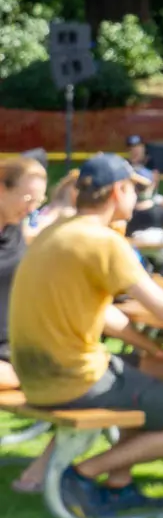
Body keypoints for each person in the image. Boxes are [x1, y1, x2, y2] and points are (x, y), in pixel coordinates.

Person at [7, 154, 163, 518]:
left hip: (38, 376)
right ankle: (82, 474)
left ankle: (119, 483)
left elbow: (103, 312)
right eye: (134, 190)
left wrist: (152, 348)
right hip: (75, 380)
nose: (138, 199)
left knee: (162, 369)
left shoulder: (55, 232)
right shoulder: (101, 241)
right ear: (117, 191)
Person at [0, 154, 50, 391]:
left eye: (38, 202)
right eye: (28, 199)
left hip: (17, 348)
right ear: (2, 188)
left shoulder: (15, 229)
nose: (32, 209)